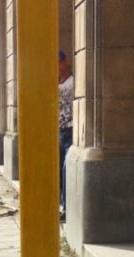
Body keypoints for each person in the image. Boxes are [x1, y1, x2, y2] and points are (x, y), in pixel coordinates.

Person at [59, 50, 74, 222]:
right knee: (59, 171)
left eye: (57, 63)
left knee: (66, 168)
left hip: (70, 131)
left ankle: (67, 208)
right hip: (59, 132)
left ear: (64, 62)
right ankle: (62, 205)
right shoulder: (58, 84)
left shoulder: (73, 83)